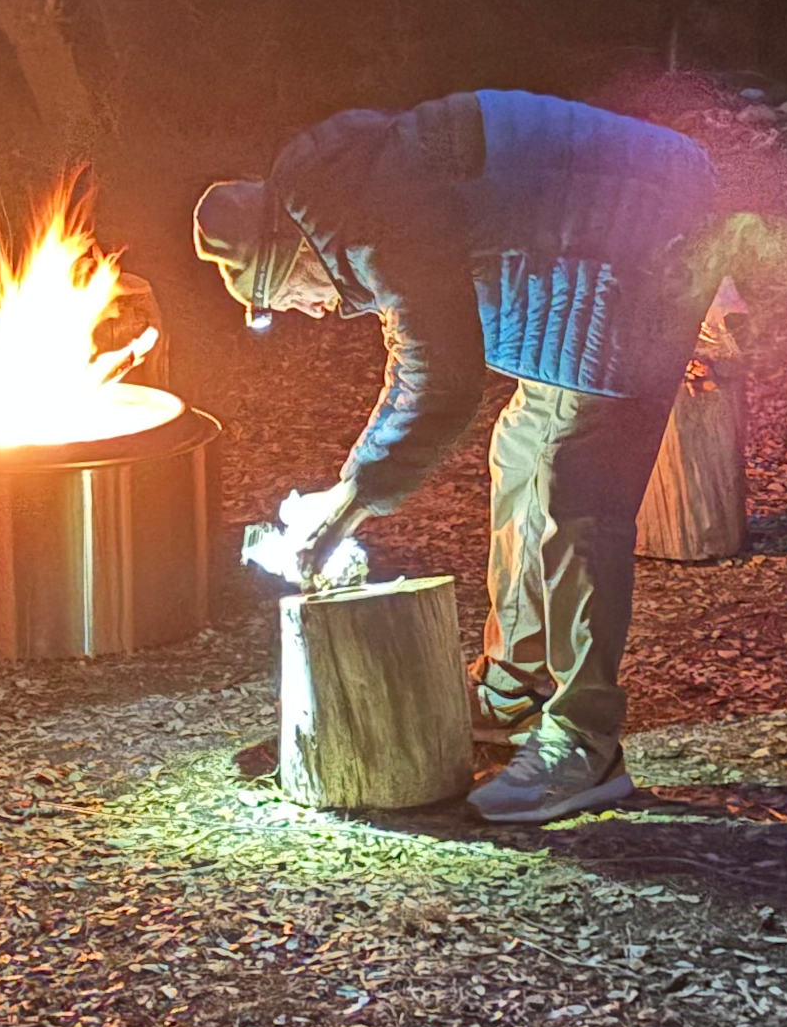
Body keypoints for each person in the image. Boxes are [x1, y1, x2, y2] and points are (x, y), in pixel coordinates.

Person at [193, 89, 720, 825]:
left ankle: (584, 741)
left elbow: (439, 381)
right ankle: (512, 687)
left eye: (287, 297)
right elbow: (415, 347)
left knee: (579, 487)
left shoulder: (372, 218)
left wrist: (347, 505)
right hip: (581, 258)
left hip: (654, 234)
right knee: (520, 449)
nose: (309, 313)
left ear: (297, 254)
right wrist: (352, 488)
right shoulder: (351, 198)